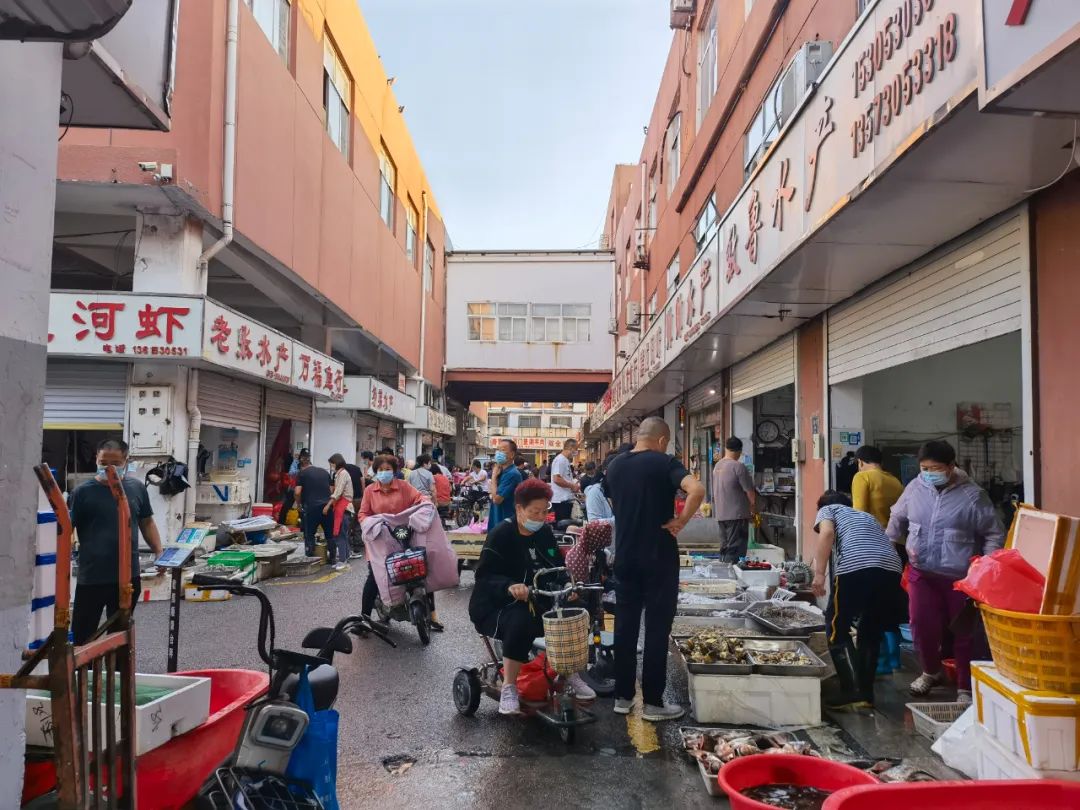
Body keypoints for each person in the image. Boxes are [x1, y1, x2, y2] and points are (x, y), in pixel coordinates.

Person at [886, 440, 1005, 702]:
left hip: (960, 578)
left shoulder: (973, 495)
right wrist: (888, 546)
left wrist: (983, 569)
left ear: (951, 466)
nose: (928, 473)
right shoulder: (916, 487)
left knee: (964, 633)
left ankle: (965, 685)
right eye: (924, 467)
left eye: (935, 468)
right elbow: (897, 518)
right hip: (921, 573)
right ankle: (931, 671)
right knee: (921, 625)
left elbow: (993, 533)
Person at [605, 417, 705, 721]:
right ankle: (652, 703)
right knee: (657, 629)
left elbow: (612, 500)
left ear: (639, 436)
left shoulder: (615, 466)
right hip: (659, 557)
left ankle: (622, 697)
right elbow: (696, 489)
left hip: (624, 556)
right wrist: (681, 521)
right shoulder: (665, 463)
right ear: (662, 440)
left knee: (625, 627)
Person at [469, 478, 597, 714]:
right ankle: (509, 685)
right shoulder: (501, 534)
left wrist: (567, 585)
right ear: (519, 509)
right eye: (534, 512)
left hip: (539, 598)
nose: (539, 517)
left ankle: (569, 673)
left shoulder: (545, 533)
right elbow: (485, 576)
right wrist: (510, 586)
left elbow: (557, 566)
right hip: (498, 604)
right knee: (521, 621)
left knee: (578, 612)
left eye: (543, 511)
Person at [811, 490, 905, 710]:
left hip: (856, 568)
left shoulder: (828, 509)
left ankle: (851, 690)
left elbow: (826, 535)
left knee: (836, 627)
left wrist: (819, 574)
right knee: (870, 632)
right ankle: (865, 693)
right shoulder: (865, 516)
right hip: (891, 570)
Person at [69, 439, 163, 645]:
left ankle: (120, 675)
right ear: (96, 459)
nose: (108, 468)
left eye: (115, 463)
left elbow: (147, 523)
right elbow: (67, 529)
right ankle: (82, 676)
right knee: (82, 637)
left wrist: (159, 552)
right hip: (91, 577)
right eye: (103, 462)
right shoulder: (82, 493)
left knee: (120, 637)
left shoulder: (136, 488)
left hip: (128, 578)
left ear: (126, 461)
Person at [357, 455, 445, 629]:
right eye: (380, 470)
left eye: (387, 469)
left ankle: (433, 615)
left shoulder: (404, 487)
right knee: (374, 578)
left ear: (394, 471)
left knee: (421, 573)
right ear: (376, 472)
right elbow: (362, 514)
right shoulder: (370, 491)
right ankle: (363, 619)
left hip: (404, 537)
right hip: (380, 540)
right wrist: (372, 524)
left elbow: (421, 499)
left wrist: (427, 506)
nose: (384, 473)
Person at [711, 437, 757, 563]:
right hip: (737, 515)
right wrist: (753, 510)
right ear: (739, 451)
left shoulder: (717, 466)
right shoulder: (738, 466)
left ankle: (724, 575)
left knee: (725, 547)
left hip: (721, 515)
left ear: (726, 449)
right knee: (735, 549)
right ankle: (732, 577)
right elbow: (750, 492)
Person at [851, 445, 904, 529]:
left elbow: (859, 513)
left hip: (874, 536)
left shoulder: (862, 476)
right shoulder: (895, 481)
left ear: (860, 462)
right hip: (896, 536)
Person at [295, 453, 334, 559]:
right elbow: (331, 490)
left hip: (311, 507)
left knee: (309, 533)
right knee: (329, 533)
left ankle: (310, 557)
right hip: (327, 507)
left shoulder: (302, 473)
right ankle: (332, 558)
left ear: (302, 465)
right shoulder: (324, 472)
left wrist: (298, 505)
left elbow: (297, 492)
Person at [326, 454, 356, 570]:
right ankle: (345, 557)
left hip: (343, 507)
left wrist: (328, 505)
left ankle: (343, 560)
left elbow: (338, 492)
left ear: (336, 462)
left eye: (331, 463)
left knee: (340, 535)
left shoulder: (342, 474)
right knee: (343, 534)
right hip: (343, 507)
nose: (331, 466)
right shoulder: (339, 474)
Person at [488, 438, 523, 530]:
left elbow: (497, 499)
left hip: (506, 525)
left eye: (502, 450)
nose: (498, 453)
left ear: (512, 455)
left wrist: (494, 477)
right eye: (498, 450)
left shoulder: (512, 474)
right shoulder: (502, 471)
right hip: (498, 522)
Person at [550, 439, 580, 523]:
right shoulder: (560, 460)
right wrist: (572, 486)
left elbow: (564, 478)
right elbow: (557, 479)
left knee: (566, 525)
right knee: (562, 525)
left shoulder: (565, 460)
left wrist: (573, 485)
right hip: (560, 500)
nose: (576, 452)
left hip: (565, 499)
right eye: (576, 449)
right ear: (571, 448)